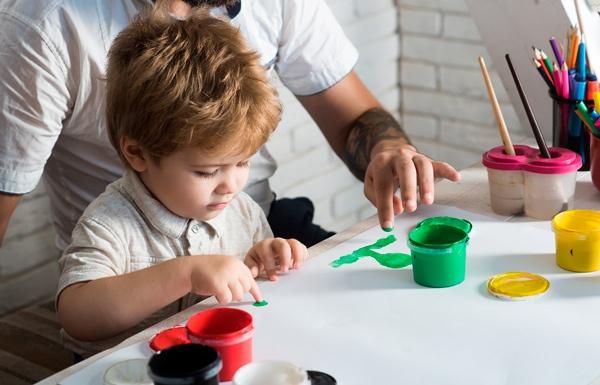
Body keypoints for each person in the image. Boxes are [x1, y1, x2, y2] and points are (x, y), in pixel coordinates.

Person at [0, 0, 460, 251]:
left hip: (256, 229)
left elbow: (357, 118)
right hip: (135, 260)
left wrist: (387, 154)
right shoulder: (42, 26)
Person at [56, 7, 307, 354]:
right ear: (138, 154)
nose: (231, 185)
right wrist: (185, 274)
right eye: (206, 172)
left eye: (243, 162)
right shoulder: (110, 223)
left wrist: (263, 259)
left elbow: (249, 289)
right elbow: (77, 316)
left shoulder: (242, 210)